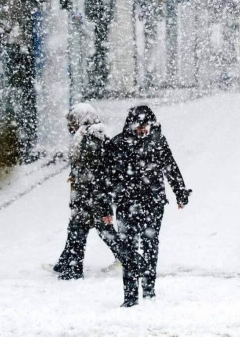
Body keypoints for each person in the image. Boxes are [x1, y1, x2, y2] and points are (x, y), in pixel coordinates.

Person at [107, 105, 191, 307]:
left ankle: (149, 290)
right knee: (127, 247)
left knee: (150, 244)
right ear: (131, 125)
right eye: (139, 125)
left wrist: (180, 193)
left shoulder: (157, 142)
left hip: (153, 203)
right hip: (127, 205)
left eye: (146, 125)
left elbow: (171, 166)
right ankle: (130, 295)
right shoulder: (118, 144)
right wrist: (105, 205)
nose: (142, 129)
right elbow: (107, 178)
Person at [53, 103, 122, 280]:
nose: (70, 125)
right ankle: (67, 264)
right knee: (81, 229)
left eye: (73, 121)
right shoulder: (87, 135)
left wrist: (104, 204)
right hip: (87, 194)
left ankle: (73, 268)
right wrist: (75, 174)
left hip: (91, 195)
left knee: (84, 229)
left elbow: (98, 171)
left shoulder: (91, 137)